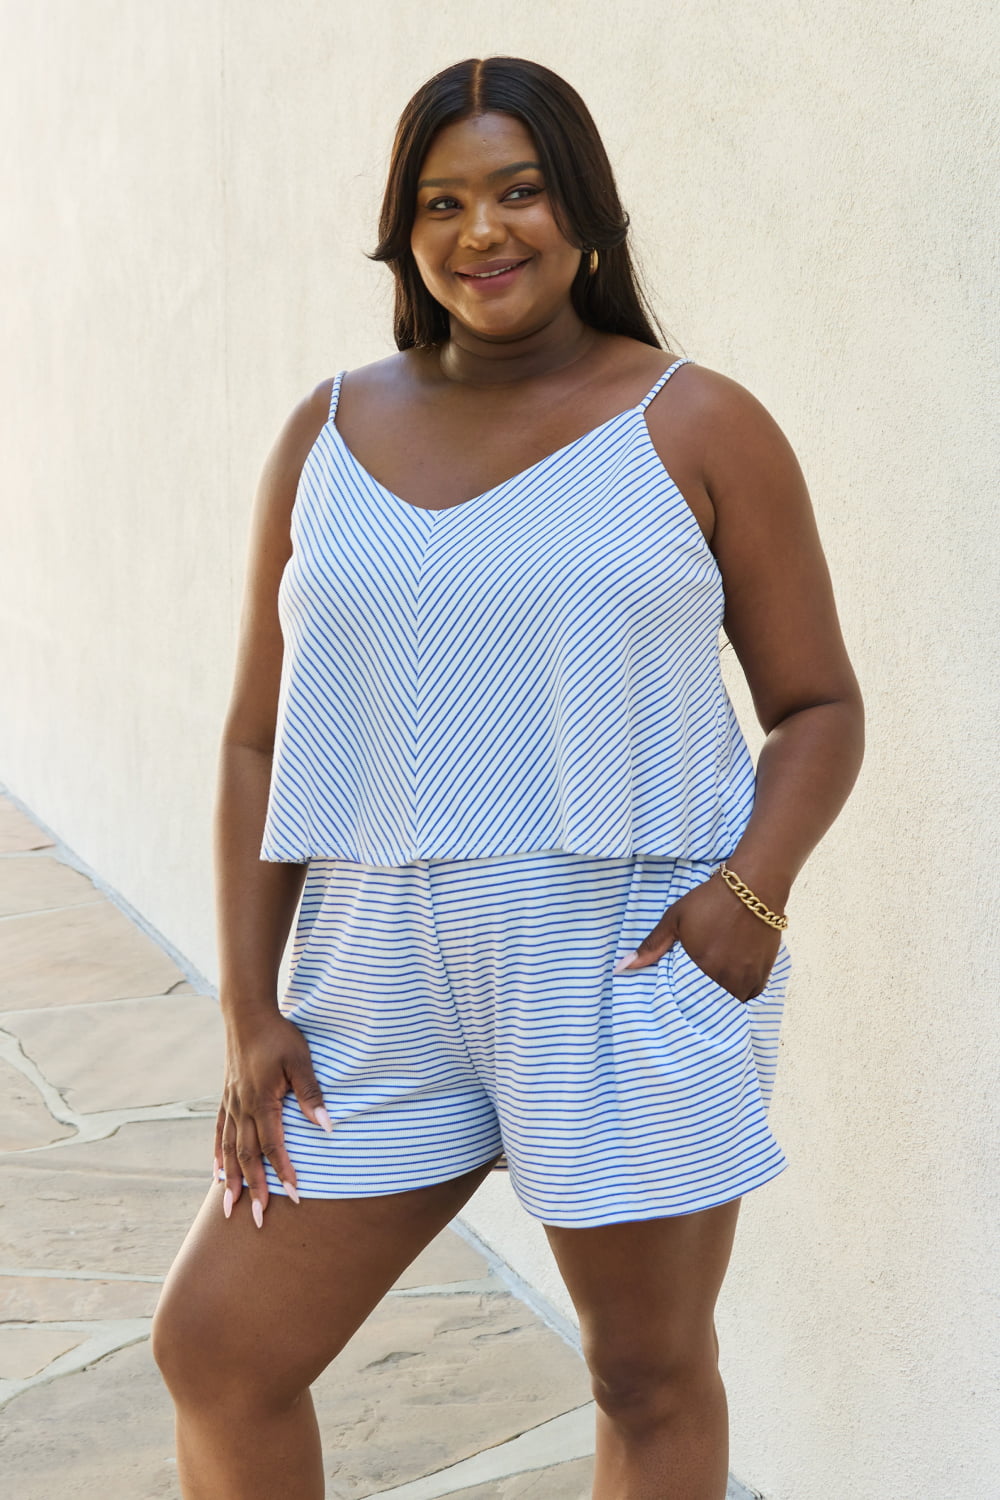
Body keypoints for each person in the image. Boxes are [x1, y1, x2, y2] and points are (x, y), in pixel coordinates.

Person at [152, 54, 864, 1500]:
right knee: (218, 1349)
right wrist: (249, 1006)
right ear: (404, 234)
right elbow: (256, 738)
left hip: (619, 957)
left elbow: (819, 705)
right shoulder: (328, 432)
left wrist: (750, 898)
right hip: (368, 969)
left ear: (581, 209)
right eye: (443, 202)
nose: (485, 231)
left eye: (520, 191)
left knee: (647, 1377)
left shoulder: (698, 423)